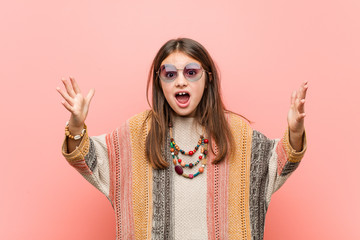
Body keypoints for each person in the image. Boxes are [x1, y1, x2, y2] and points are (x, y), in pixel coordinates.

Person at [57, 38, 307, 240]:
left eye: (191, 72)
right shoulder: (137, 132)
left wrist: (295, 132)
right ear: (160, 82)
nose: (180, 81)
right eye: (169, 74)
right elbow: (90, 159)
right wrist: (76, 125)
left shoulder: (236, 133)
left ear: (207, 78)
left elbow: (276, 165)